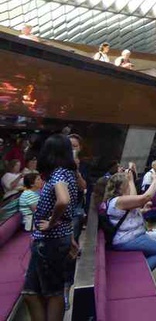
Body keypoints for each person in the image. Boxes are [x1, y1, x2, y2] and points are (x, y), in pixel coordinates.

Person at [22, 134, 80, 321]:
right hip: (53, 239)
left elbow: (64, 201)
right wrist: (69, 235)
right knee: (30, 292)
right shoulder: (67, 173)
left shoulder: (60, 173)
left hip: (50, 241)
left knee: (53, 292)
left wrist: (52, 222)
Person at [103, 170, 156, 277]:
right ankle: (138, 274)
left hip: (132, 234)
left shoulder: (119, 200)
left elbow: (128, 211)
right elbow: (145, 197)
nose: (128, 186)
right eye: (127, 184)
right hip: (126, 239)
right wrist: (155, 180)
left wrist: (142, 210)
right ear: (121, 187)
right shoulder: (118, 201)